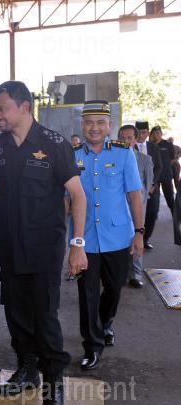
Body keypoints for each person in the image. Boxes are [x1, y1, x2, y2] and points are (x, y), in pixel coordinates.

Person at [0, 81, 87, 405]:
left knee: (45, 321)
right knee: (16, 316)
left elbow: (78, 195)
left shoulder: (54, 144)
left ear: (23, 107)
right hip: (10, 247)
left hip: (44, 249)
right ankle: (27, 370)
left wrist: (77, 246)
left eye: (2, 108)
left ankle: (54, 392)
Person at [72, 101, 143, 372]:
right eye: (89, 122)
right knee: (87, 294)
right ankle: (92, 345)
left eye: (100, 122)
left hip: (118, 236)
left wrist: (139, 232)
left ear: (109, 125)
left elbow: (134, 195)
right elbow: (66, 198)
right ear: (82, 125)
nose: (95, 128)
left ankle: (105, 323)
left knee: (114, 287)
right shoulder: (72, 156)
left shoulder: (124, 154)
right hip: (85, 238)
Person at [118, 124, 154, 288]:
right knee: (120, 239)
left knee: (137, 237)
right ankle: (120, 272)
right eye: (122, 138)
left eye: (129, 138)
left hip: (138, 207)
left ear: (136, 139)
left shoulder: (145, 160)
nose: (125, 141)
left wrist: (140, 205)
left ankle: (135, 274)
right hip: (118, 206)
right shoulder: (112, 159)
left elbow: (147, 185)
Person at [135, 121, 162, 249]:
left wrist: (152, 185)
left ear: (148, 133)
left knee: (152, 213)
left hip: (152, 188)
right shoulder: (129, 146)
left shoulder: (153, 147)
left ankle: (145, 239)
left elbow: (158, 167)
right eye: (139, 132)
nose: (141, 135)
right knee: (135, 213)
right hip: (135, 188)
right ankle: (134, 238)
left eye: (144, 132)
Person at [150, 125, 176, 216]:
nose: (156, 135)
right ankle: (154, 217)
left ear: (161, 134)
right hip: (155, 176)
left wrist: (165, 167)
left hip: (166, 175)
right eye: (154, 133)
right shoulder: (150, 145)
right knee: (154, 198)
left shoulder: (168, 144)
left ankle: (175, 216)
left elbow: (172, 158)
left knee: (169, 197)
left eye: (158, 133)